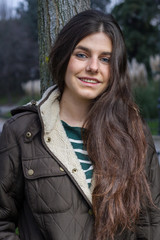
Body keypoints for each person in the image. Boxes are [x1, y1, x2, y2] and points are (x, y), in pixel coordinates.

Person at [0, 9, 160, 240]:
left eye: (105, 59)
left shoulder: (134, 131)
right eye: (82, 55)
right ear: (64, 57)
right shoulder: (22, 132)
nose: (93, 67)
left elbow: (152, 222)